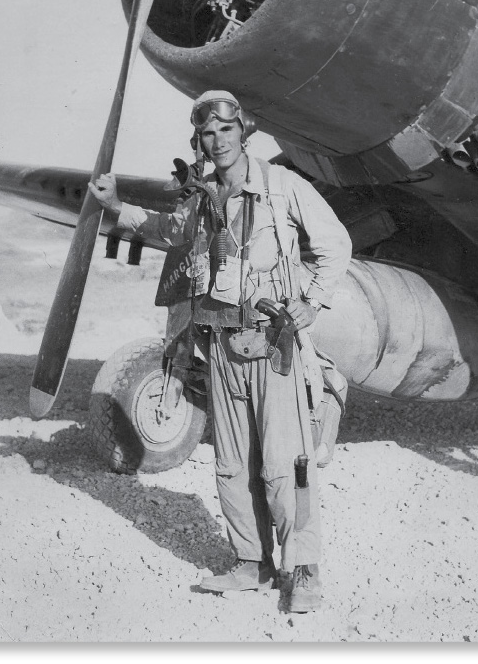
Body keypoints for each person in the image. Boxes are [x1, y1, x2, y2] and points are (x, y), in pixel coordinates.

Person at [89, 90, 352, 612]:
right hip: (221, 351)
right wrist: (115, 207)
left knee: (286, 464)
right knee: (231, 465)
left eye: (226, 130)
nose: (218, 141)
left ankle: (303, 569)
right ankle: (251, 564)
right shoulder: (204, 198)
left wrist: (310, 303)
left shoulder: (281, 187)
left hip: (272, 347)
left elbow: (335, 242)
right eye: (207, 133)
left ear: (243, 132)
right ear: (200, 140)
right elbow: (168, 231)